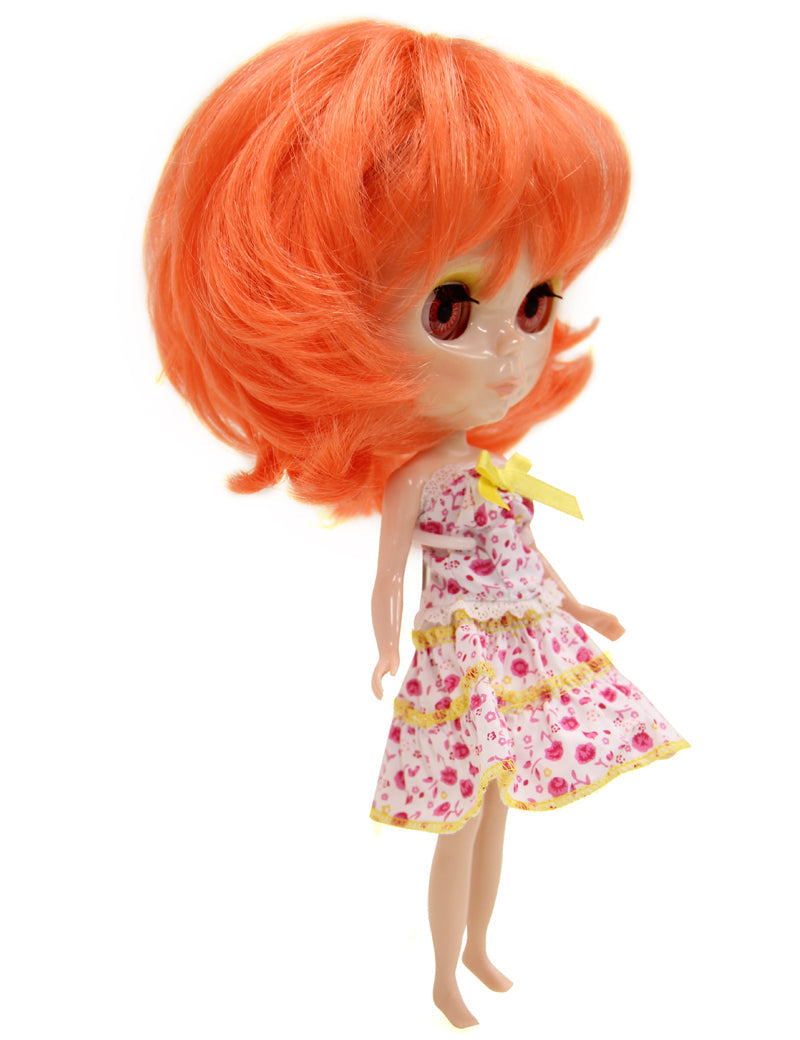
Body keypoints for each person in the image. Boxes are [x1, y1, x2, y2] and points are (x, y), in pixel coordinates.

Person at [145, 20, 688, 1028]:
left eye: (534, 303)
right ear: (306, 320)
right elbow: (389, 575)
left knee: (498, 813)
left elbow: (527, 554)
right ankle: (444, 971)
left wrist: (578, 608)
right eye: (450, 309)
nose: (507, 351)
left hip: (519, 642)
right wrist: (385, 646)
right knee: (461, 816)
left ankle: (477, 945)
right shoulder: (420, 484)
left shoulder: (489, 469)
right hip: (458, 655)